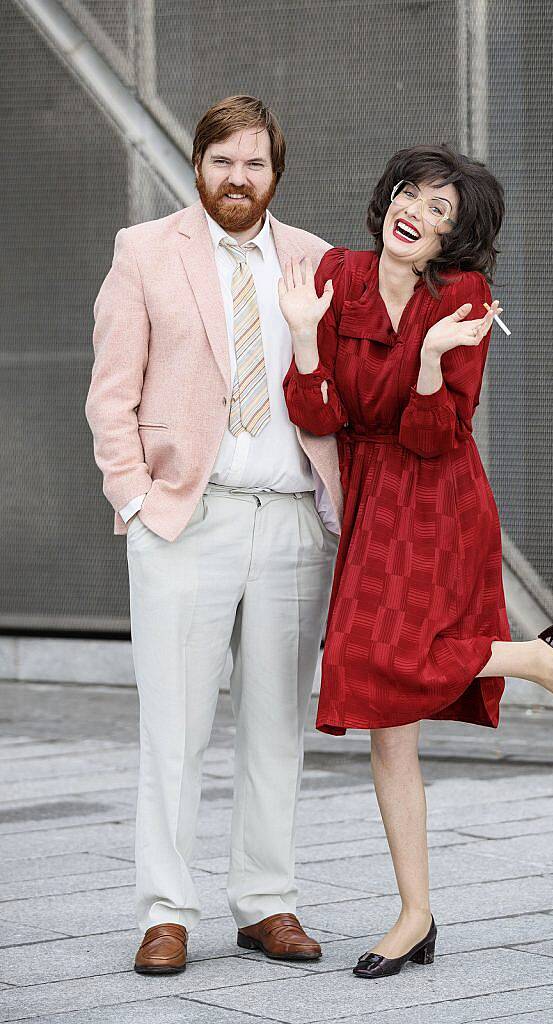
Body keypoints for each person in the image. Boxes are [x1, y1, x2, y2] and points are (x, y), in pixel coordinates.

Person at [278, 143, 553, 980]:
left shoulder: (465, 298)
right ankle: (415, 914)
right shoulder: (340, 276)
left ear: (452, 243)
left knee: (374, 658)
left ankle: (535, 656)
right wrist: (305, 341)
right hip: (369, 500)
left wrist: (429, 361)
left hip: (437, 499)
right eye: (412, 193)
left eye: (439, 212)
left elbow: (436, 435)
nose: (415, 211)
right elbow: (319, 414)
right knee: (388, 720)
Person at [85, 95, 343, 974]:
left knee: (277, 725)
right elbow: (111, 391)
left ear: (277, 173)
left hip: (290, 522)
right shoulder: (145, 250)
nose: (240, 177)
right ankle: (164, 911)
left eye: (256, 163)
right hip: (185, 518)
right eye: (224, 160)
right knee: (175, 725)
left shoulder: (314, 260)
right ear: (198, 164)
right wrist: (134, 505)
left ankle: (266, 902)